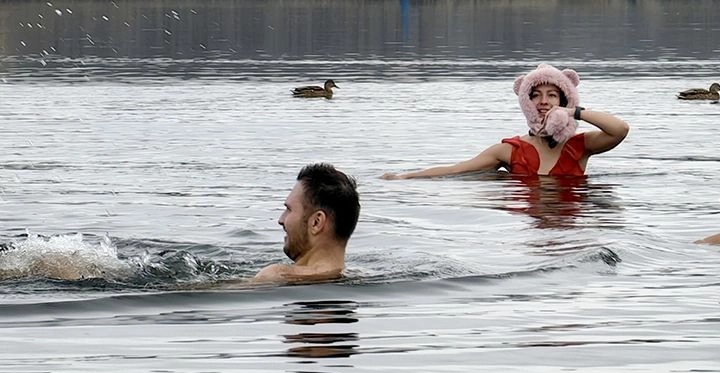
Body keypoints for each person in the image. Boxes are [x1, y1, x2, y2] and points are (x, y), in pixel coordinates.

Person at [381, 64, 629, 179]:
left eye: (552, 95)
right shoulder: (510, 150)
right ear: (526, 101)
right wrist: (405, 177)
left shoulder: (580, 145)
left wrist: (574, 112)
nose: (543, 102)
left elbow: (620, 129)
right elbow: (457, 169)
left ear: (564, 100)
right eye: (535, 95)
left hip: (570, 230)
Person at [253, 163, 360, 284]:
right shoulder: (360, 274)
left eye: (289, 209)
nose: (281, 220)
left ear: (316, 222)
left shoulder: (277, 275)